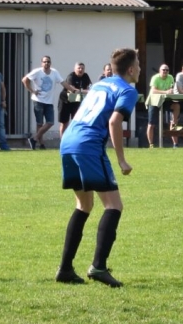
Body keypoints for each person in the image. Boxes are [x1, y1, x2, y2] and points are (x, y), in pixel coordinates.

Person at [55, 48, 140, 288]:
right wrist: (121, 159)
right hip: (89, 145)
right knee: (114, 205)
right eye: (138, 65)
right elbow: (114, 121)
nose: (140, 69)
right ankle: (98, 267)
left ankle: (65, 269)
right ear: (130, 69)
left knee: (84, 205)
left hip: (68, 141)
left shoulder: (100, 85)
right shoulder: (128, 90)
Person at [22, 55, 74, 149]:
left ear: (50, 63)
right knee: (39, 123)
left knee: (50, 122)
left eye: (48, 62)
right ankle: (41, 144)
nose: (46, 63)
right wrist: (32, 91)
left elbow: (63, 82)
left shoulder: (54, 72)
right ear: (41, 63)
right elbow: (25, 80)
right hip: (38, 100)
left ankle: (34, 139)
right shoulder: (37, 72)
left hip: (49, 102)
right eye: (45, 62)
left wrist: (72, 90)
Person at [146, 64, 179, 148]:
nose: (165, 71)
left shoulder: (170, 77)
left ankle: (175, 144)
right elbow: (153, 90)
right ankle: (151, 145)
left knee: (176, 105)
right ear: (159, 71)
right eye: (163, 70)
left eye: (167, 70)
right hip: (154, 101)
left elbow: (171, 88)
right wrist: (166, 92)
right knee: (151, 124)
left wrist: (171, 91)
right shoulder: (155, 78)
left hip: (165, 100)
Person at [58, 62, 92, 137]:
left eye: (82, 68)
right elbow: (72, 90)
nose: (80, 70)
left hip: (76, 100)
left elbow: (90, 89)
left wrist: (81, 91)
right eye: (79, 68)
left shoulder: (86, 76)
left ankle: (74, 139)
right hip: (66, 101)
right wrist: (83, 91)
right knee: (64, 123)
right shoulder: (71, 76)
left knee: (77, 121)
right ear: (75, 69)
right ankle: (62, 140)